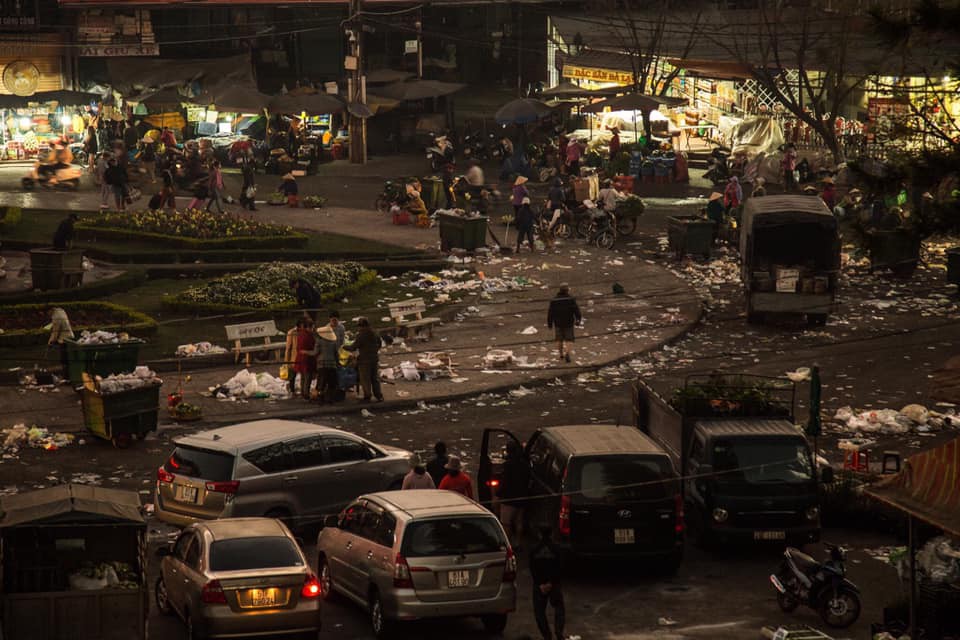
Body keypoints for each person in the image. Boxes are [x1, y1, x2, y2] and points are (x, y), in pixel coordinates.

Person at [530, 525, 567, 640]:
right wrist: (551, 582)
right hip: (554, 584)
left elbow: (532, 568)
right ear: (551, 534)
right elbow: (560, 567)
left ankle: (547, 635)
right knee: (559, 607)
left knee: (539, 612)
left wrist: (540, 584)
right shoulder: (556, 549)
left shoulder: (534, 550)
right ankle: (559, 632)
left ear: (539, 534)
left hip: (539, 585)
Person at [498, 440, 529, 549]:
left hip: (508, 498)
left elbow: (505, 481)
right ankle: (519, 542)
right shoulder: (525, 464)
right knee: (519, 521)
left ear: (507, 451)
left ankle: (508, 545)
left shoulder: (507, 465)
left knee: (506, 523)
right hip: (522, 497)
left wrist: (498, 494)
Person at [344, 316, 383, 402]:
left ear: (361, 326)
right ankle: (379, 395)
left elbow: (353, 347)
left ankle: (367, 395)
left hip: (364, 360)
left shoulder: (361, 335)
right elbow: (379, 344)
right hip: (374, 358)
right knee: (375, 378)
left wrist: (343, 346)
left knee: (365, 379)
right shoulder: (375, 332)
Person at [547, 284, 581, 363]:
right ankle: (567, 353)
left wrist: (550, 323)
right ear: (567, 290)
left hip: (558, 322)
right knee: (569, 339)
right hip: (568, 321)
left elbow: (550, 312)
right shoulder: (571, 299)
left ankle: (561, 354)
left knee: (559, 339)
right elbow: (576, 310)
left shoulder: (554, 300)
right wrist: (578, 319)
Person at [48, 307, 74, 378]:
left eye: (48, 313)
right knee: (67, 359)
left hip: (64, 340)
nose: (48, 315)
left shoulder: (56, 317)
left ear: (50, 310)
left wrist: (50, 341)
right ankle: (68, 375)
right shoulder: (61, 311)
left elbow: (55, 332)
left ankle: (67, 377)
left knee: (64, 360)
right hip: (69, 336)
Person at [294, 319, 316, 400]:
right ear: (309, 327)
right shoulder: (309, 336)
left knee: (303, 376)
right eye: (313, 327)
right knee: (308, 376)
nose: (313, 329)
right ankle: (306, 393)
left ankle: (303, 392)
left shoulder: (300, 334)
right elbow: (312, 347)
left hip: (300, 357)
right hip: (307, 358)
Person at [284, 319, 304, 394]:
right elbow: (288, 348)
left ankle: (303, 391)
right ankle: (292, 390)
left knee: (304, 375)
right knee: (292, 376)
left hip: (302, 357)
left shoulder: (304, 332)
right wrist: (287, 361)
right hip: (294, 358)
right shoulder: (292, 332)